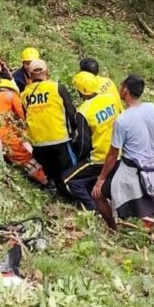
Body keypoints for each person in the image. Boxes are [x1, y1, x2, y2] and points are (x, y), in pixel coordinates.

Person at [91, 74, 154, 245]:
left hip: (131, 172)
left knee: (98, 194)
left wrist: (101, 179)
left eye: (121, 86)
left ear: (125, 91)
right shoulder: (153, 109)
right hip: (152, 168)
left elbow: (113, 154)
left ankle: (113, 229)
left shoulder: (122, 120)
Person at [62, 71, 119, 210]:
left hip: (99, 158)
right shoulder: (110, 98)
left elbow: (84, 144)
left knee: (68, 180)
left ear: (80, 91)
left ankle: (92, 208)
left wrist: (80, 157)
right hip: (119, 153)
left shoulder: (84, 112)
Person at [21, 59, 78, 197]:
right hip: (59, 138)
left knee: (53, 173)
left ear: (30, 74)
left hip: (39, 143)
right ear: (47, 72)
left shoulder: (24, 95)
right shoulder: (57, 87)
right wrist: (74, 130)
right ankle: (76, 199)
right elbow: (71, 111)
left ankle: (62, 196)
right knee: (71, 172)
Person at [0, 78, 48, 185]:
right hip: (4, 135)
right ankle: (46, 183)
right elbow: (24, 116)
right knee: (25, 158)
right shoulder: (11, 96)